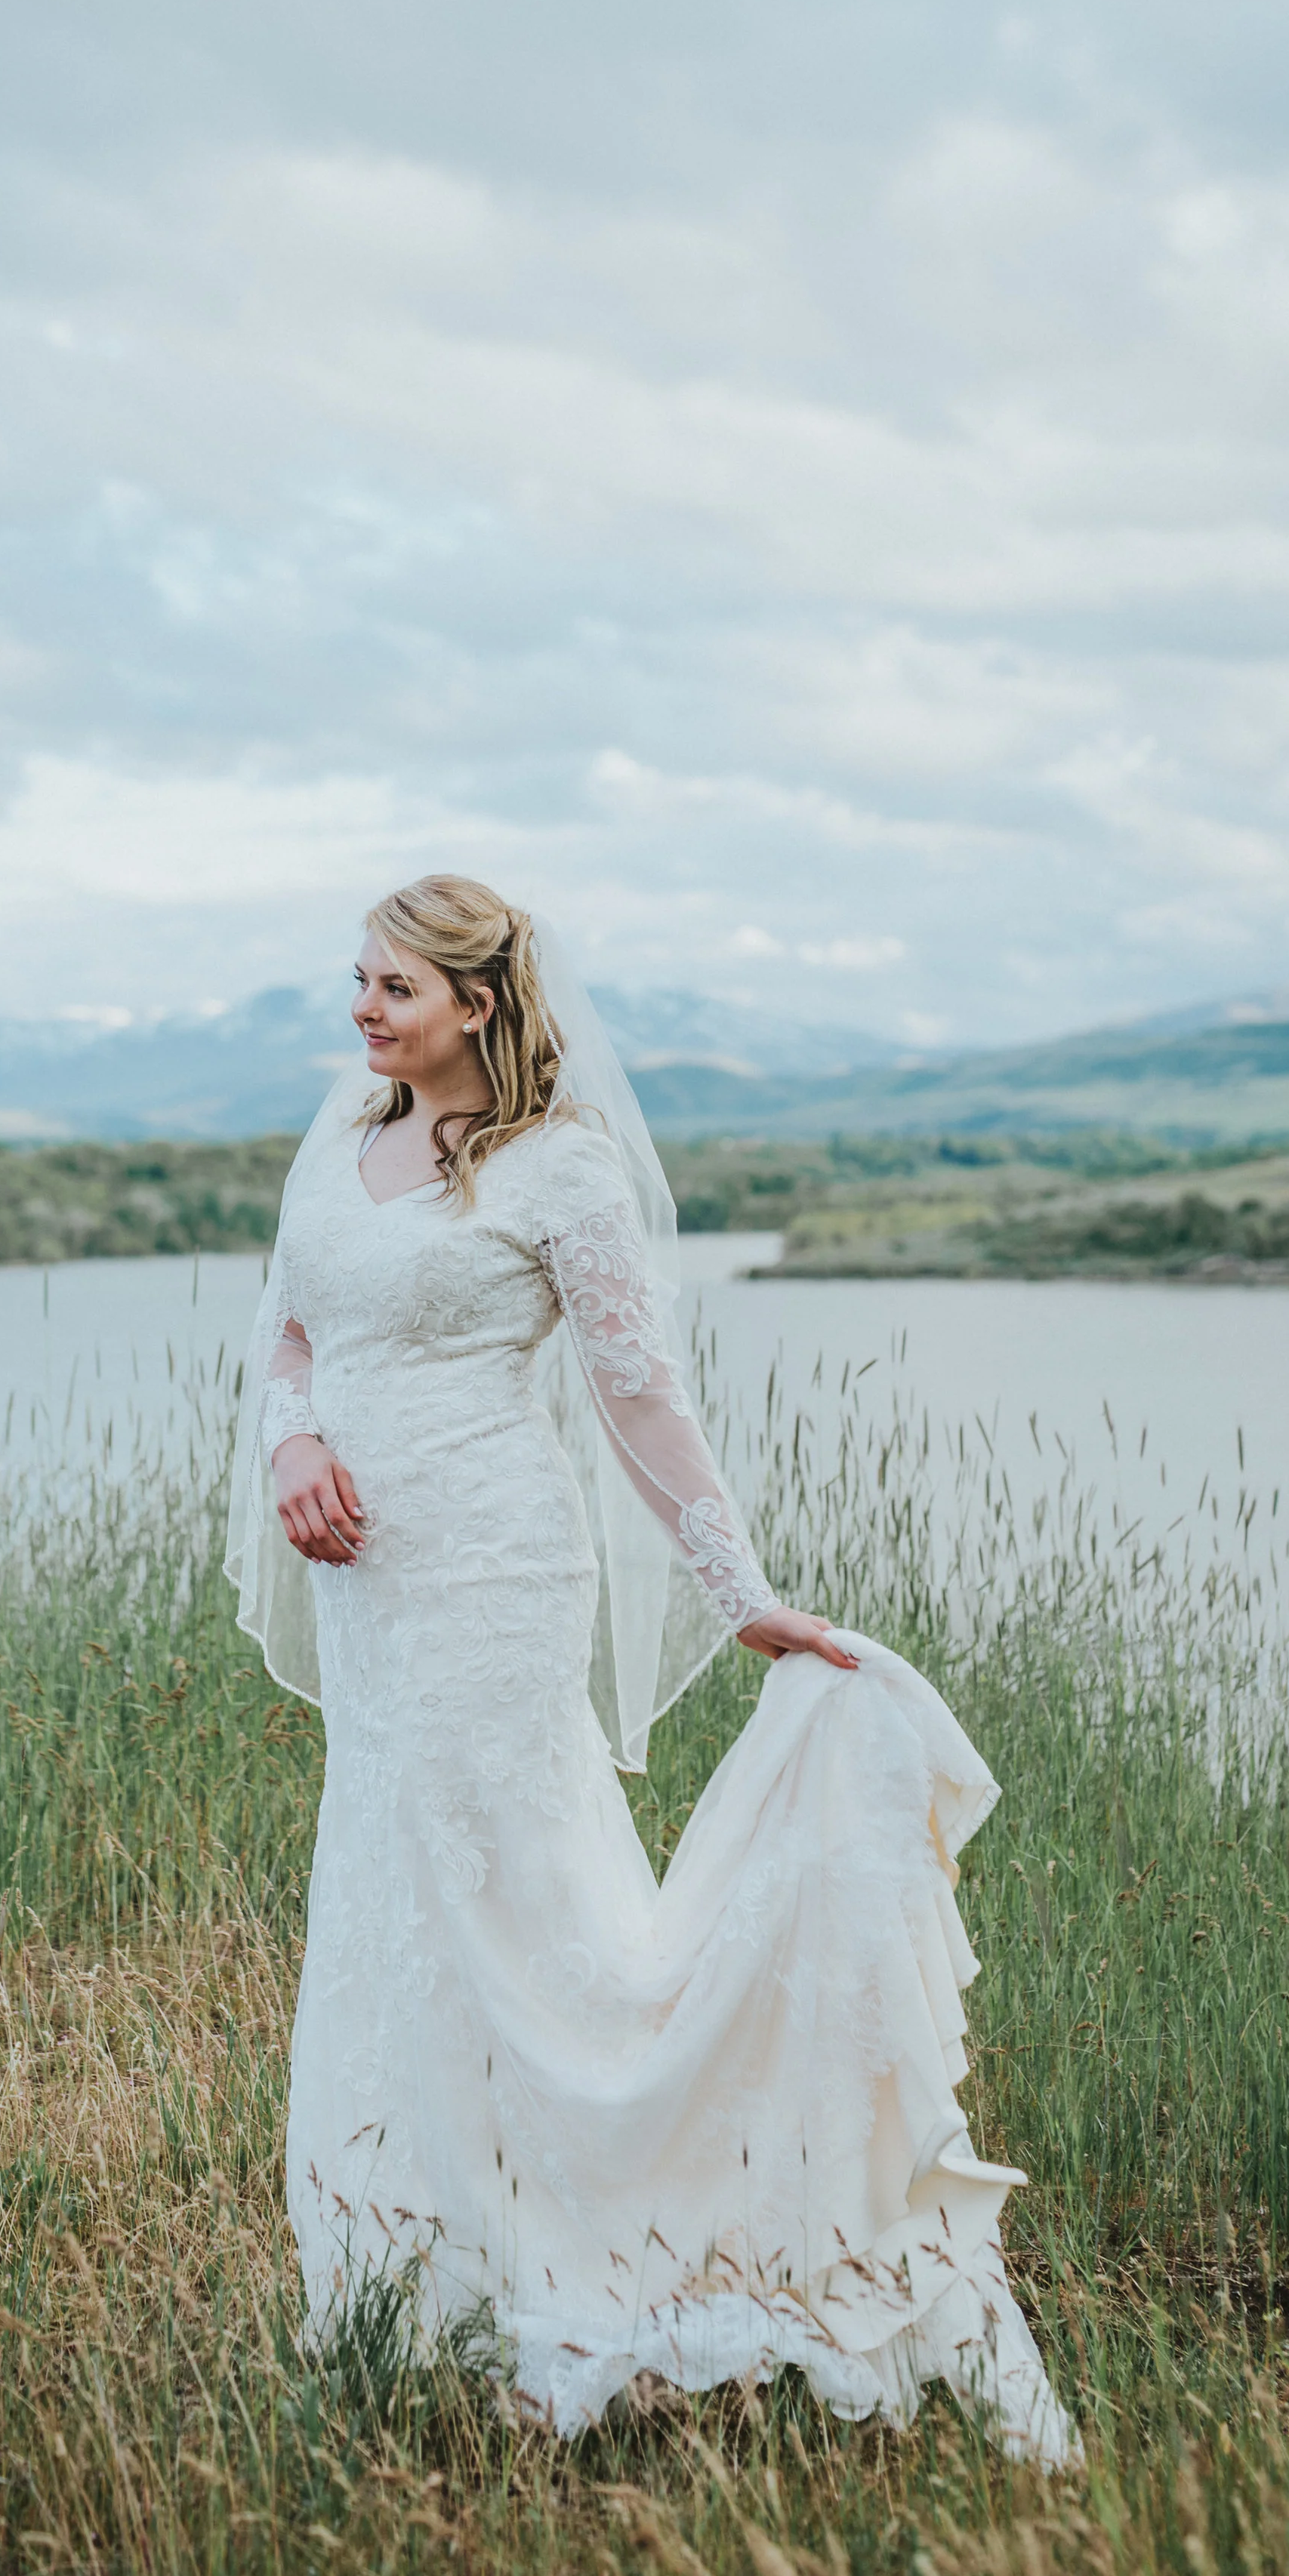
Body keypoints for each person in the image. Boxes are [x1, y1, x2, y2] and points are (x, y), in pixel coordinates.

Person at [225, 874, 1078, 2463]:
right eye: (355, 980)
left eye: (391, 989)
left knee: (517, 1911)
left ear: (474, 1003)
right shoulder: (344, 1140)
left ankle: (612, 2254)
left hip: (490, 1579)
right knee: (395, 1904)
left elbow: (637, 1400)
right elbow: (288, 1328)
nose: (359, 1010)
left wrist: (741, 1595)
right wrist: (291, 1445)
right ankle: (421, 2276)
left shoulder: (562, 1171)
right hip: (368, 1588)